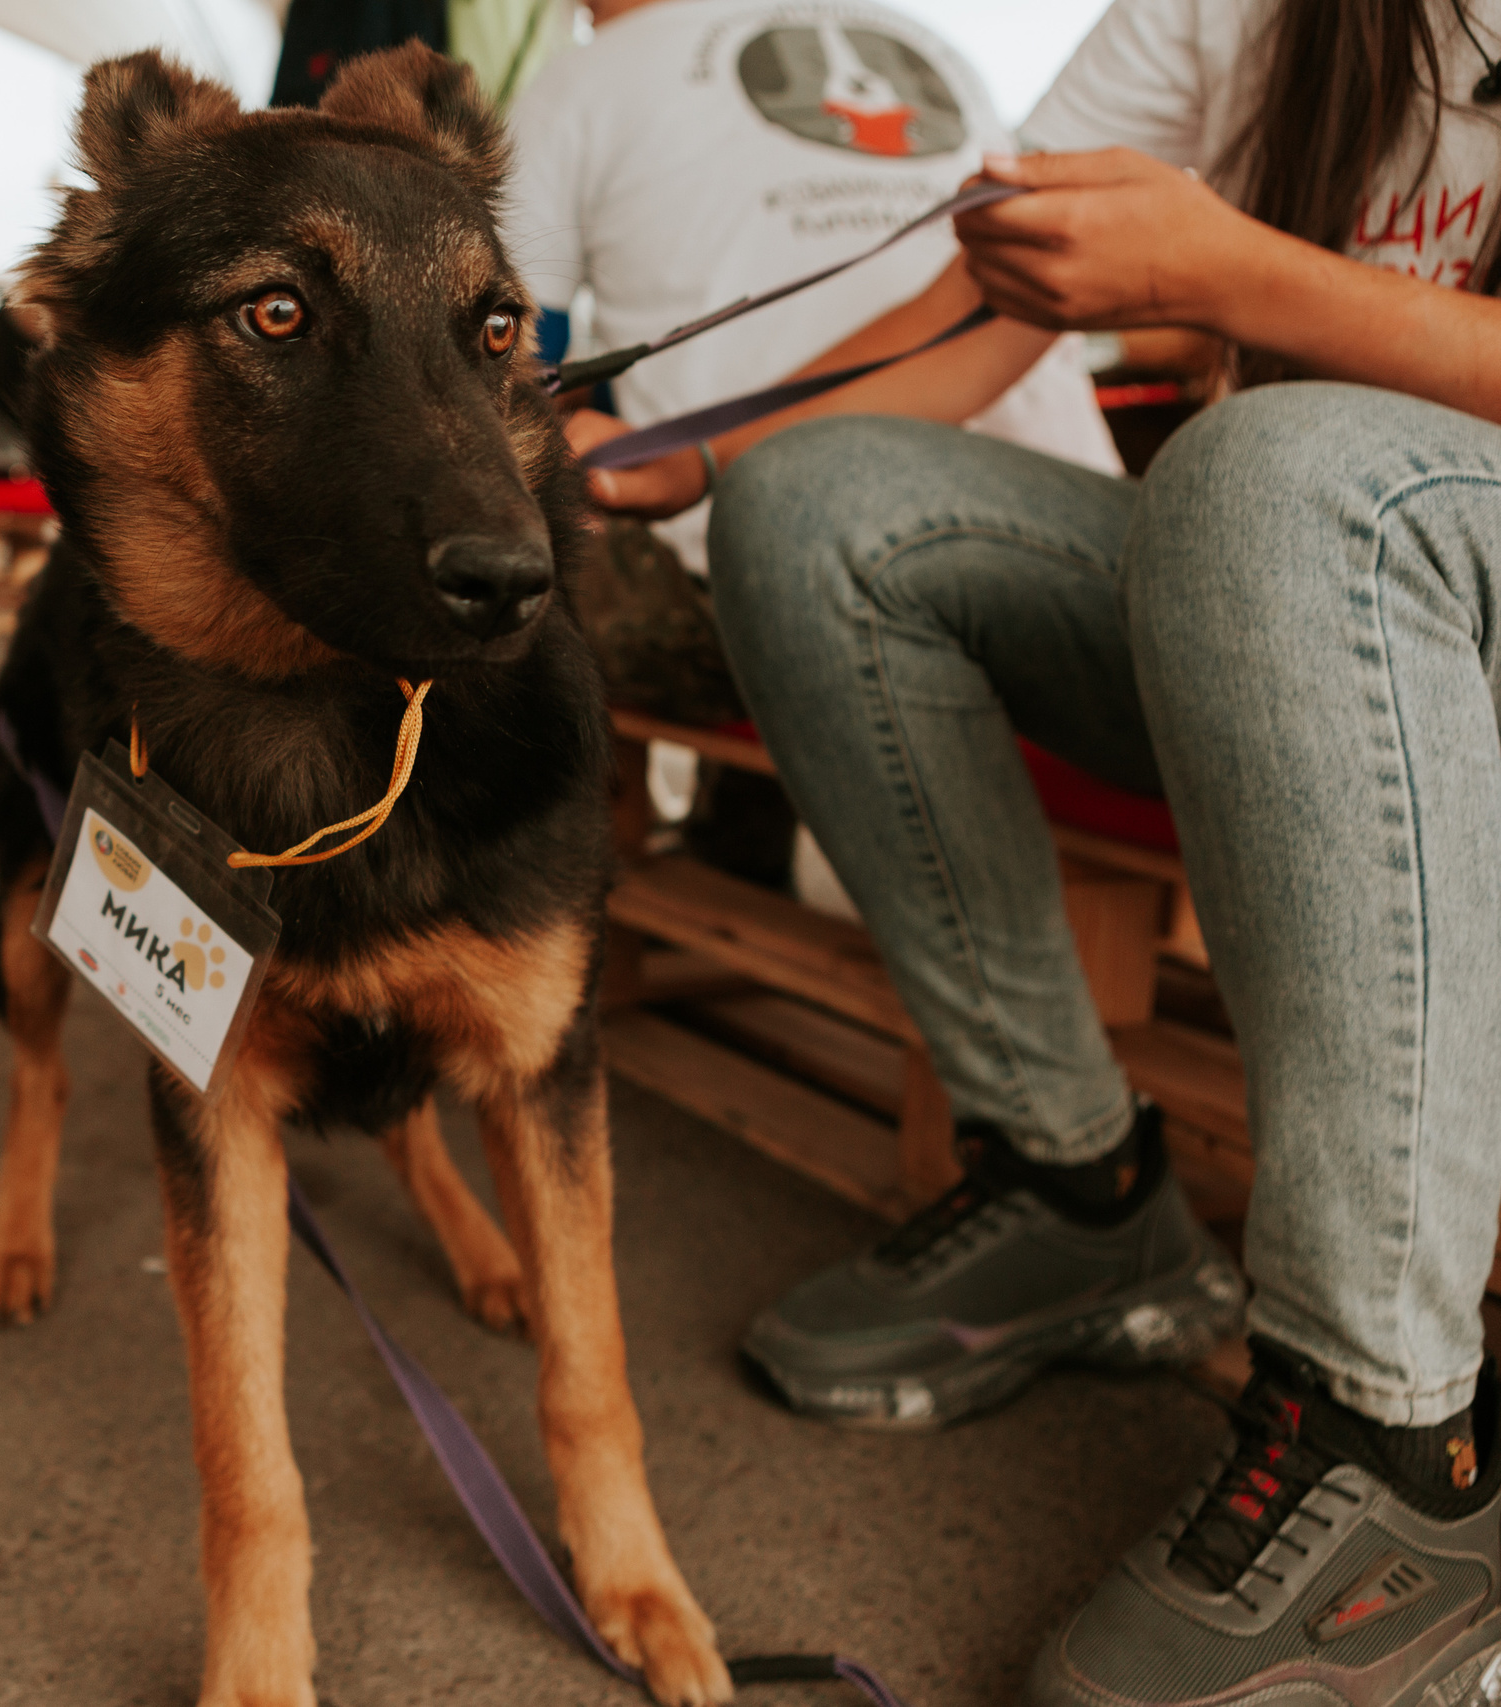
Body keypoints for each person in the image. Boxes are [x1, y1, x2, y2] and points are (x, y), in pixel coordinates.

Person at [593, 0, 1501, 1696]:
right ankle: (1079, 1190)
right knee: (819, 508)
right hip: (1297, 578)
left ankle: (1398, 1445)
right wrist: (674, 456)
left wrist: (1238, 277)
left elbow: (1240, 327)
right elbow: (980, 296)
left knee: (1276, 470)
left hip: (1378, 546)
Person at [501, 0, 1120, 883]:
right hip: (1067, 564)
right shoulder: (925, 42)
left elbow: (512, 372)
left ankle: (501, 914)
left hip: (782, 583)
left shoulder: (579, 83)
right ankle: (752, 827)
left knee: (478, 574)